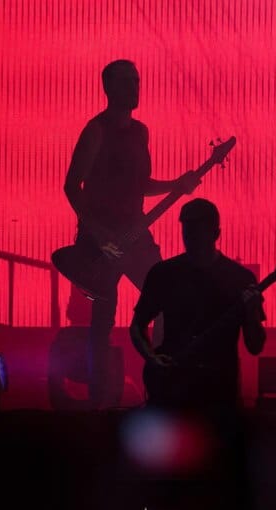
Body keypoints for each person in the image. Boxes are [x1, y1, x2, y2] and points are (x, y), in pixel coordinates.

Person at [63, 59, 202, 408]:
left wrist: (176, 185)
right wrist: (95, 232)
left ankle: (160, 386)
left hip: (136, 235)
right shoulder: (95, 130)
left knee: (167, 301)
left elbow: (141, 185)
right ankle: (99, 399)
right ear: (108, 88)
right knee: (102, 320)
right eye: (127, 82)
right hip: (101, 242)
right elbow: (71, 186)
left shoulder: (141, 132)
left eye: (137, 81)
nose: (135, 88)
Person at [130, 197, 266, 424]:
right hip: (175, 390)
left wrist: (251, 312)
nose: (191, 237)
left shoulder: (240, 279)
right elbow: (137, 326)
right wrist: (152, 358)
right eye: (187, 230)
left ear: (215, 233)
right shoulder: (164, 274)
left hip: (218, 392)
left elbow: (255, 345)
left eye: (197, 230)